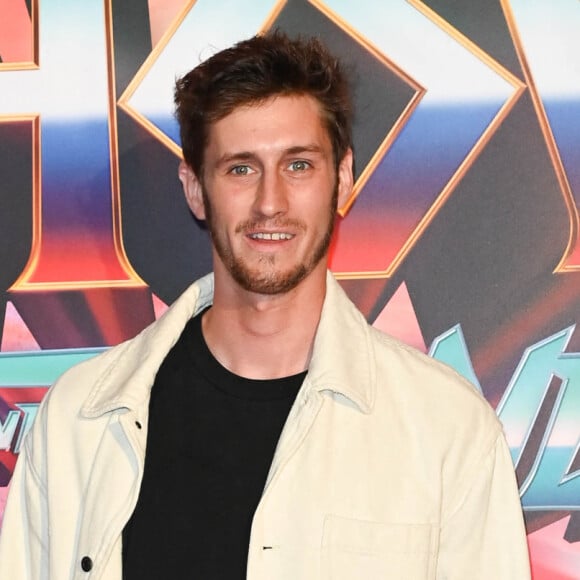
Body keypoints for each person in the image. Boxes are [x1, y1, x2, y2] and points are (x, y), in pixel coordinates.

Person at [0, 31, 530, 579]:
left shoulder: (447, 431)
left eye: (298, 165)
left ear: (342, 178)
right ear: (195, 189)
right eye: (241, 168)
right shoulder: (78, 420)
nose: (270, 202)